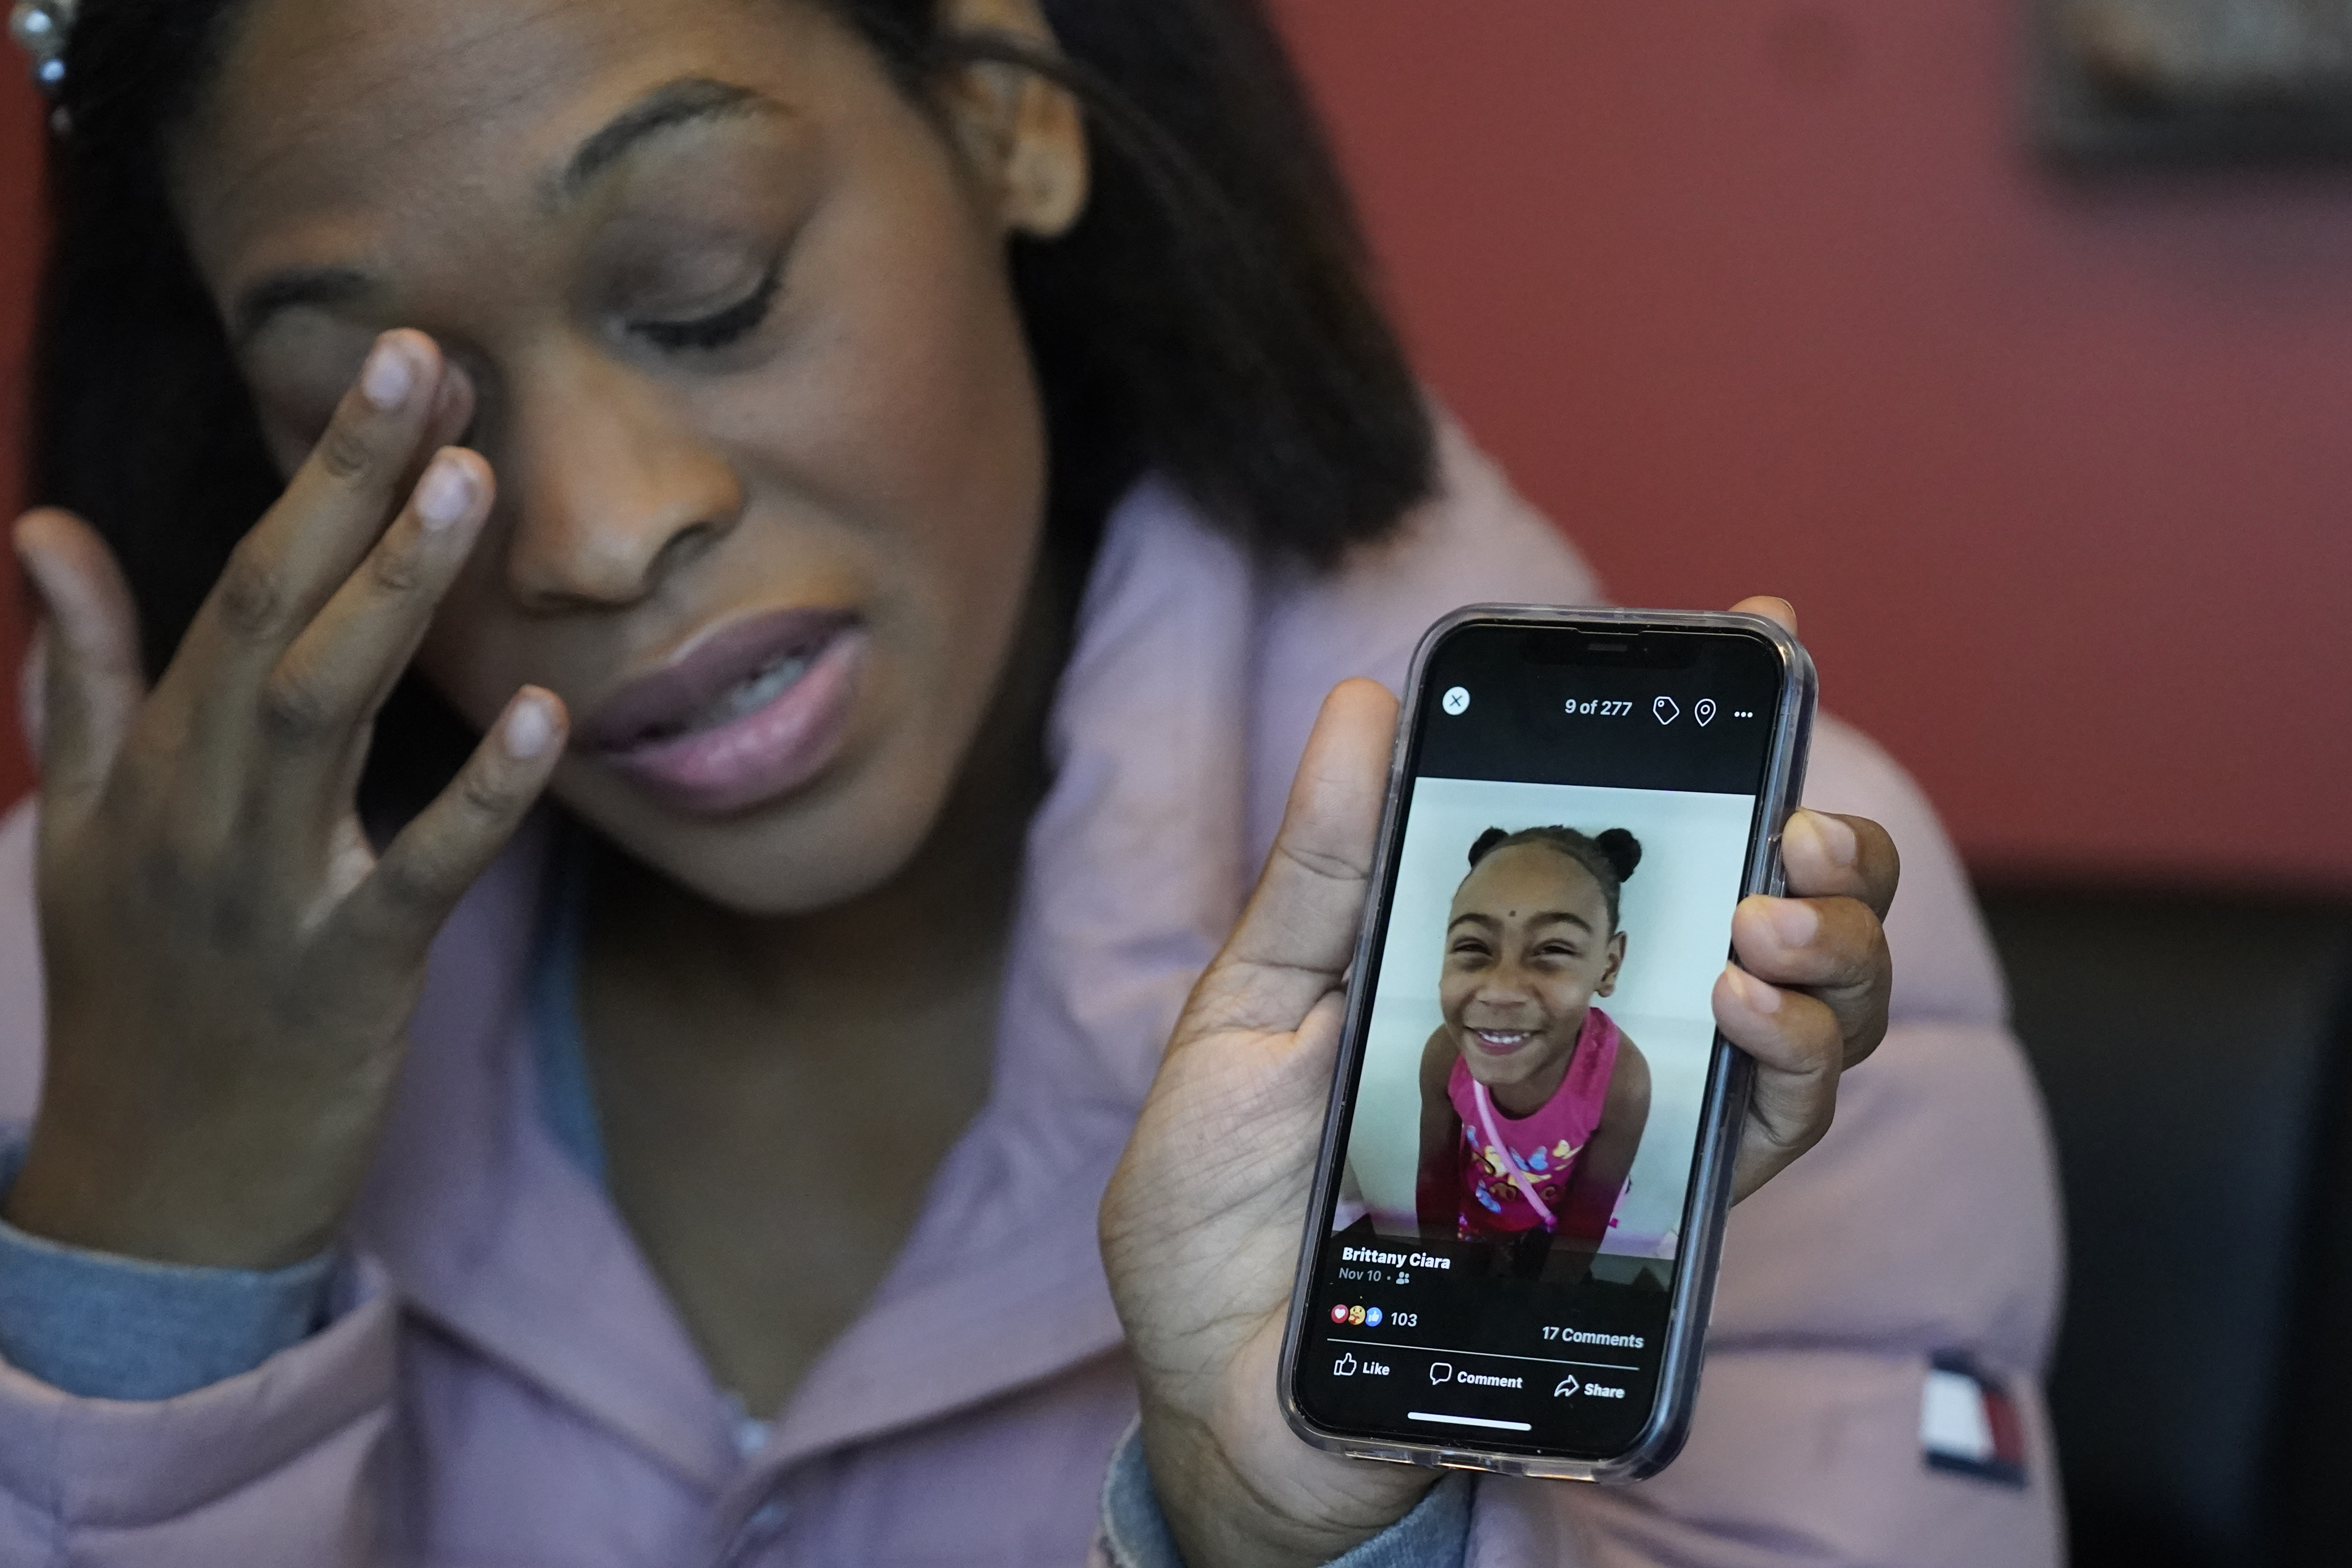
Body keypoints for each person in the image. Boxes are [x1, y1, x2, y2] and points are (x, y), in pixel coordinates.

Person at [0, 0, 2061, 1563]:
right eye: (380, 412)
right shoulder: (87, 1006)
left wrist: (1298, 1545)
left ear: (1005, 116)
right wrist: (152, 1247)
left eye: (706, 290)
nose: (592, 534)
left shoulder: (1736, 963)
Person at [1416, 827, 1650, 1264]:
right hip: (1476, 1222)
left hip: (1553, 1233)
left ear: (1609, 965)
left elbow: (1589, 1215)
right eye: (1472, 946)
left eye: (1553, 949)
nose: (1501, 991)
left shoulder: (1623, 1082)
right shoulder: (1445, 1055)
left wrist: (1548, 1299)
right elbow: (1435, 1176)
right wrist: (1438, 1273)